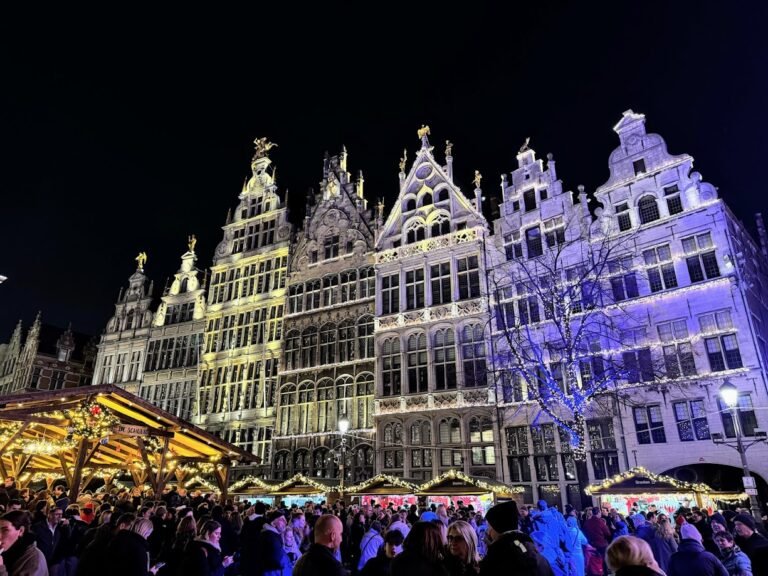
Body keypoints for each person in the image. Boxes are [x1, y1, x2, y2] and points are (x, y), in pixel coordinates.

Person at [479, 501, 553, 576]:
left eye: (489, 527)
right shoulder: (535, 555)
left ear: (497, 528)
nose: (487, 531)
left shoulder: (495, 560)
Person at [0, 510, 48, 576]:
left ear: (21, 531)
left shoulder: (34, 559)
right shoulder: (7, 551)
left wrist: (1, 569)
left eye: (5, 530)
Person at [32, 508, 70, 576]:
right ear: (49, 515)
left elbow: (66, 540)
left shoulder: (60, 528)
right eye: (57, 514)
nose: (60, 517)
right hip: (40, 561)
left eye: (61, 514)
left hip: (54, 561)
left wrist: (67, 527)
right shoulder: (38, 527)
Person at [255, 511, 291, 576]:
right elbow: (277, 560)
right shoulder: (271, 537)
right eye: (282, 520)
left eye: (285, 520)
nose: (286, 522)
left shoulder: (270, 534)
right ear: (273, 523)